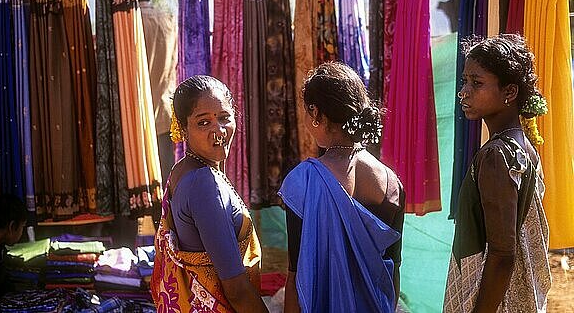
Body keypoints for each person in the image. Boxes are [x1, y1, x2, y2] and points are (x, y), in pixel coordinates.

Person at [279, 62, 405, 313]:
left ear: (316, 114)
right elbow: (394, 268)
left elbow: (295, 273)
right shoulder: (392, 182)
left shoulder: (303, 181)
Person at [443, 34, 551, 312]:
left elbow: (503, 254)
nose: (464, 92)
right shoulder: (524, 145)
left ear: (509, 92)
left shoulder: (495, 156)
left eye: (477, 83)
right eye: (464, 81)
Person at [150, 75, 267, 313]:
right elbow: (236, 288)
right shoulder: (204, 184)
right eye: (203, 123)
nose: (219, 131)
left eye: (224, 118)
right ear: (183, 128)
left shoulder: (182, 170)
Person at [129, 0, 178, 186]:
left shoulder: (130, 21)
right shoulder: (167, 20)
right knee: (166, 181)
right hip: (165, 112)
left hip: (138, 115)